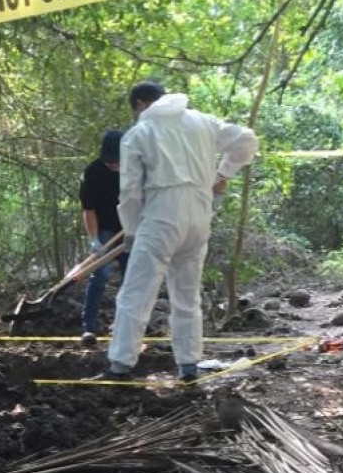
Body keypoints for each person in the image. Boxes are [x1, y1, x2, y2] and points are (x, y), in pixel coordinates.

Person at [100, 80, 258, 383]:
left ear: (139, 105)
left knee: (136, 293)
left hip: (161, 215)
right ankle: (189, 365)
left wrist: (132, 231)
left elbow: (130, 193)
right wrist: (223, 174)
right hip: (200, 214)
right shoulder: (203, 122)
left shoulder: (139, 133)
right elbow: (247, 140)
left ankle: (120, 365)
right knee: (186, 294)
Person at [79, 129, 128, 347]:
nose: (113, 165)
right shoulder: (92, 172)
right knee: (99, 274)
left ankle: (124, 326)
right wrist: (94, 240)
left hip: (131, 228)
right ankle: (89, 327)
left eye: (116, 162)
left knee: (132, 279)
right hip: (105, 228)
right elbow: (89, 210)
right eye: (109, 162)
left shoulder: (136, 168)